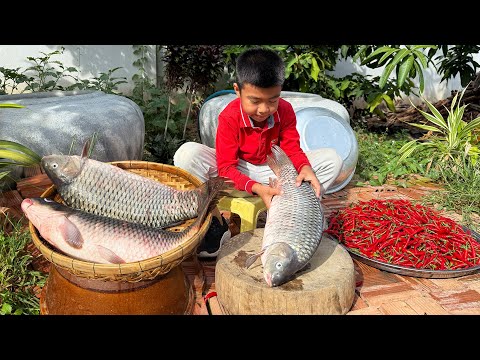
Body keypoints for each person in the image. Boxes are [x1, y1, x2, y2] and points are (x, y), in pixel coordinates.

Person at [174, 47, 343, 259]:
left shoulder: (286, 110)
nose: (264, 109)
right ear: (237, 90)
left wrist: (305, 167)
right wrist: (256, 188)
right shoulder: (229, 117)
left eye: (272, 100)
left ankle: (298, 209)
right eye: (255, 101)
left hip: (274, 173)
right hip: (237, 172)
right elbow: (225, 167)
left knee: (332, 160)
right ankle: (215, 224)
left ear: (280, 91)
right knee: (187, 154)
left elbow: (292, 148)